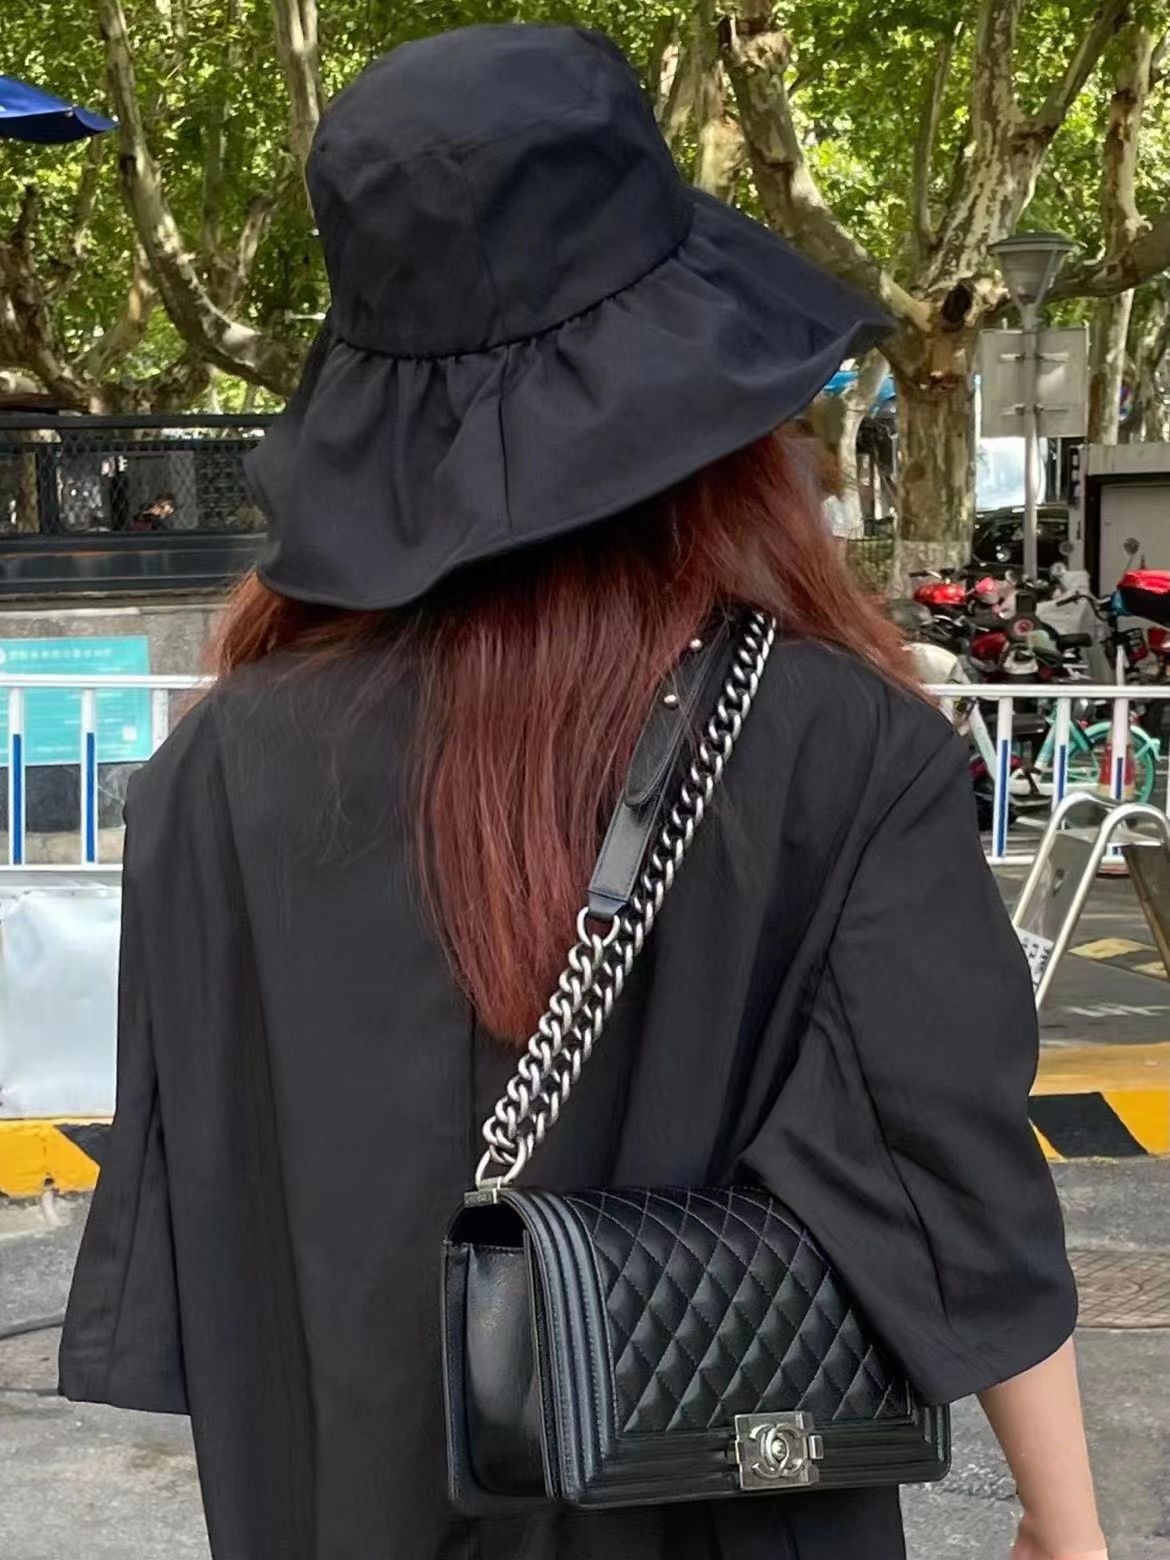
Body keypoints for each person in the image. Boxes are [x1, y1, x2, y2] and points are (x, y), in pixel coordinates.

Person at [59, 24, 1106, 1560]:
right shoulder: (839, 744)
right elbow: (946, 1175)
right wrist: (1065, 1525)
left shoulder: (217, 773)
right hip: (734, 1504)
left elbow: (217, 1228)